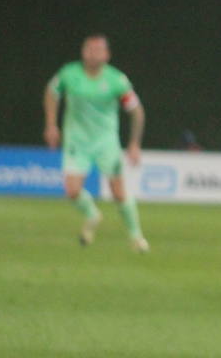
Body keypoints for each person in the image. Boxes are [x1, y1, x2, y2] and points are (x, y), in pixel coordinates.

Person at [42, 34, 148, 252]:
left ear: (107, 55)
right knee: (72, 190)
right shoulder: (69, 74)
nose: (93, 53)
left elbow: (136, 111)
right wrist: (51, 125)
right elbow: (51, 93)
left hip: (106, 142)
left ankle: (136, 237)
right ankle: (92, 214)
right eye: (89, 49)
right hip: (76, 141)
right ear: (83, 52)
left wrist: (134, 144)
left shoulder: (116, 80)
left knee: (118, 192)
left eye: (98, 50)